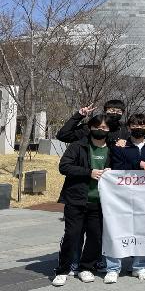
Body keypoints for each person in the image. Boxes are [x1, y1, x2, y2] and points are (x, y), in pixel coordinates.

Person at [103, 113, 145, 283]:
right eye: (135, 125)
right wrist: (137, 163)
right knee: (116, 230)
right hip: (121, 198)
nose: (139, 128)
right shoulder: (120, 146)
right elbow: (116, 167)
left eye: (142, 125)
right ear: (129, 127)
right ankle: (113, 268)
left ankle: (140, 266)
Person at [52, 114, 112, 286]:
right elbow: (64, 166)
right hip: (76, 199)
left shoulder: (114, 148)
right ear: (90, 128)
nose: (101, 130)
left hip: (100, 202)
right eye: (98, 127)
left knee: (95, 237)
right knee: (72, 235)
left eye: (105, 128)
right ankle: (62, 270)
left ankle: (86, 267)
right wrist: (88, 172)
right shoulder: (78, 146)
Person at [56, 100, 130, 146]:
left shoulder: (125, 129)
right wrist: (79, 115)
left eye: (118, 111)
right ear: (105, 111)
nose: (115, 113)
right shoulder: (91, 127)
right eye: (112, 110)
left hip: (114, 170)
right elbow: (63, 135)